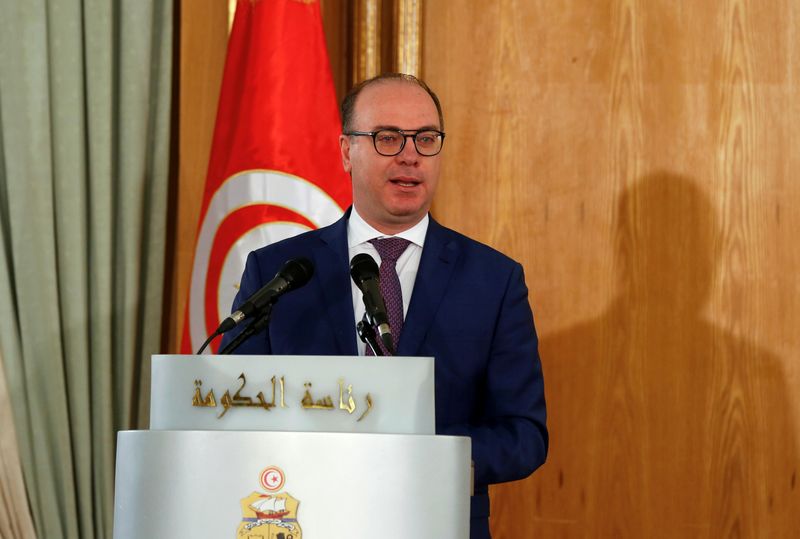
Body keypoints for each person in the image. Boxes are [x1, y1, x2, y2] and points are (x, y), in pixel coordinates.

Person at [220, 73, 548, 538]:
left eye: (426, 138)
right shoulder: (279, 273)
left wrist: (427, 457)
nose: (410, 155)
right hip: (306, 519)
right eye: (388, 137)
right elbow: (232, 412)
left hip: (436, 522)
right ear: (346, 152)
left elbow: (524, 434)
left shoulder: (493, 281)